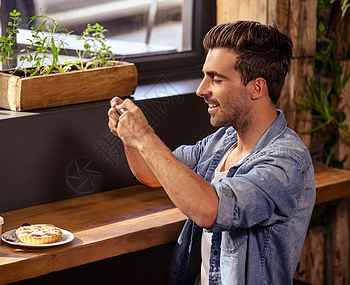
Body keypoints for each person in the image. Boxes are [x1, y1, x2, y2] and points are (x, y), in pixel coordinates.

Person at [107, 20, 316, 284]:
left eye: (216, 79)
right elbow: (152, 173)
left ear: (256, 88)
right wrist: (130, 136)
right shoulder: (223, 141)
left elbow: (211, 211)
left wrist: (145, 137)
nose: (201, 89)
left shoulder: (286, 161)